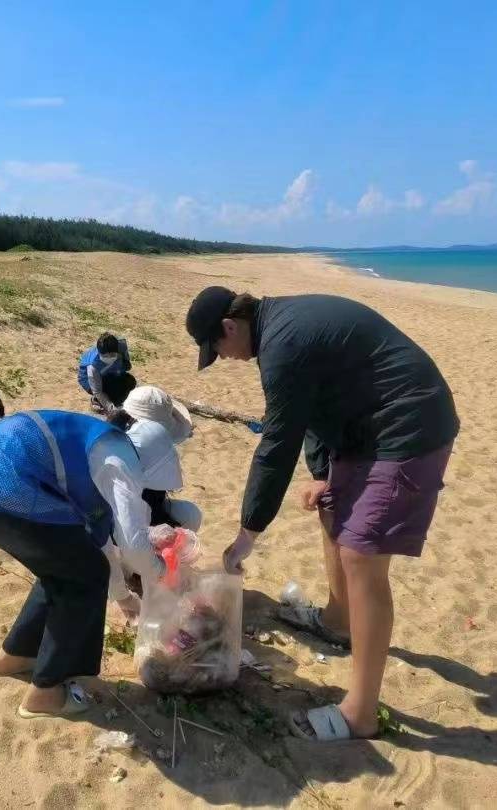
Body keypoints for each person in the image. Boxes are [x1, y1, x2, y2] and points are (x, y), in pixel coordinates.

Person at [185, 286, 460, 741]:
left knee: (361, 556)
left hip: (407, 426)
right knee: (330, 508)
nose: (226, 358)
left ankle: (361, 714)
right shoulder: (282, 327)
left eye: (217, 350)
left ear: (229, 329)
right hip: (362, 427)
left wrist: (248, 533)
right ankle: (337, 621)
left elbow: (276, 445)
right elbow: (308, 409)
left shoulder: (282, 347)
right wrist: (321, 473)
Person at [0, 411, 179, 718]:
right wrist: (162, 575)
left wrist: (123, 597)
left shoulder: (99, 449)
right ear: (152, 465)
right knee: (81, 578)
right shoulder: (121, 461)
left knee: (65, 568)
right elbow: (132, 546)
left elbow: (100, 546)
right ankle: (46, 693)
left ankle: (15, 655)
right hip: (3, 490)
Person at [117, 385, 202, 532]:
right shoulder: (153, 447)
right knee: (191, 514)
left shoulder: (112, 439)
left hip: (121, 513)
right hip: (133, 516)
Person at [77, 332, 135, 412]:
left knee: (129, 382)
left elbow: (126, 366)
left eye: (112, 355)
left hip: (108, 372)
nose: (108, 358)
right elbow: (98, 391)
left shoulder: (121, 346)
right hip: (89, 380)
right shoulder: (92, 365)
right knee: (112, 390)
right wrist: (113, 410)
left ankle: (114, 398)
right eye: (105, 356)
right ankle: (96, 401)